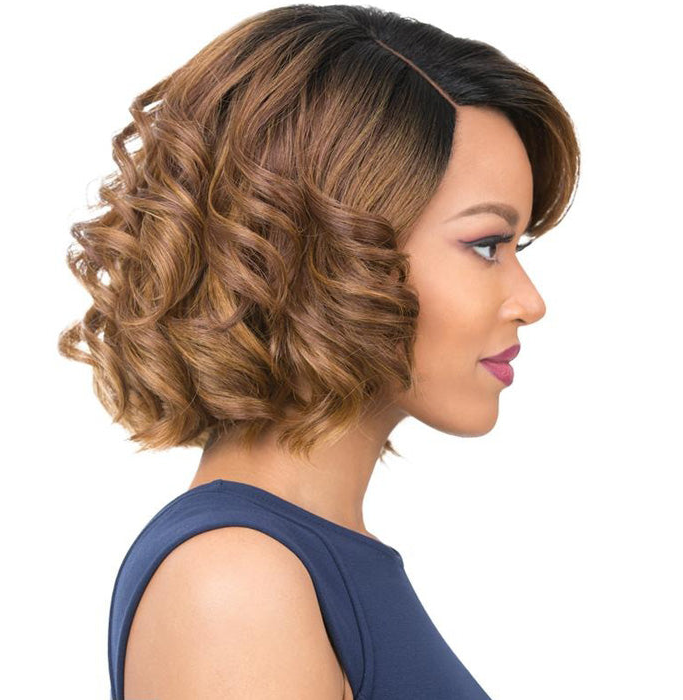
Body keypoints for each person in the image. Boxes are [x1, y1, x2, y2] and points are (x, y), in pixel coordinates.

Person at [58, 5, 580, 698]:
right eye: (486, 245)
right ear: (325, 249)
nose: (530, 301)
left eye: (519, 248)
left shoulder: (301, 564)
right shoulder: (237, 582)